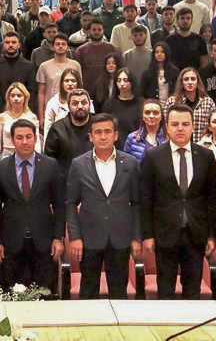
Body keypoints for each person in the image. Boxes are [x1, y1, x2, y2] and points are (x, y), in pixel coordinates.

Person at [139, 104, 216, 300]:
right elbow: (145, 198)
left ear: (193, 127)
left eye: (185, 124)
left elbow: (211, 198)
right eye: (175, 124)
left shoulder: (206, 156)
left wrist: (211, 235)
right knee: (165, 291)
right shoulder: (153, 156)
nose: (180, 128)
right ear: (167, 127)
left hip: (195, 234)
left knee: (193, 292)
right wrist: (147, 235)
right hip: (165, 234)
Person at [65, 113, 142, 300]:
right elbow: (70, 203)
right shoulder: (78, 164)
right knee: (88, 292)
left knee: (119, 294)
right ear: (91, 137)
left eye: (107, 131)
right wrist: (75, 237)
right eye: (98, 132)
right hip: (89, 238)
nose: (103, 136)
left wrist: (136, 237)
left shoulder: (130, 163)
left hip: (120, 238)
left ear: (115, 135)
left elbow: (137, 203)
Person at [0, 119, 64, 292]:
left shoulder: (50, 165)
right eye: (19, 137)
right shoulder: (0, 169)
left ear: (35, 139)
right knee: (11, 295)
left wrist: (58, 237)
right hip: (10, 243)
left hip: (44, 242)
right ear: (12, 140)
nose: (24, 141)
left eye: (29, 137)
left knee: (43, 294)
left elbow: (59, 204)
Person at [165, 67, 216, 145]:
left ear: (197, 82)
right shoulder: (172, 101)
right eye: (186, 79)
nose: (189, 82)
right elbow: (165, 125)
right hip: (178, 144)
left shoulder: (208, 102)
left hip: (202, 145)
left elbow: (212, 126)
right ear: (181, 82)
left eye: (193, 79)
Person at [0, 82, 41, 159]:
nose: (16, 99)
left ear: (25, 97)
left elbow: (37, 141)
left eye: (19, 95)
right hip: (7, 155)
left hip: (27, 155)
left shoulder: (32, 117)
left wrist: (39, 157)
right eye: (12, 96)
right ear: (8, 98)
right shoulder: (2, 117)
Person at [103, 68, 143, 150]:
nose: (122, 84)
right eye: (119, 80)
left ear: (132, 82)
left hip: (137, 146)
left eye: (126, 80)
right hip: (115, 147)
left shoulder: (141, 103)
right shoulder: (109, 104)